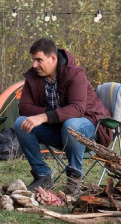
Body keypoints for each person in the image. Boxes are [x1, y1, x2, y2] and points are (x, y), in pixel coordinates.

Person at [14, 38, 112, 196]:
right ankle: (42, 175)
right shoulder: (33, 76)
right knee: (21, 123)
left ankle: (74, 177)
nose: (34, 65)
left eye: (39, 60)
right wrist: (52, 114)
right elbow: (23, 107)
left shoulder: (74, 73)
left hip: (89, 126)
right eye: (33, 60)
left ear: (53, 58)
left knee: (71, 124)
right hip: (58, 129)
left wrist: (44, 116)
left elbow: (77, 109)